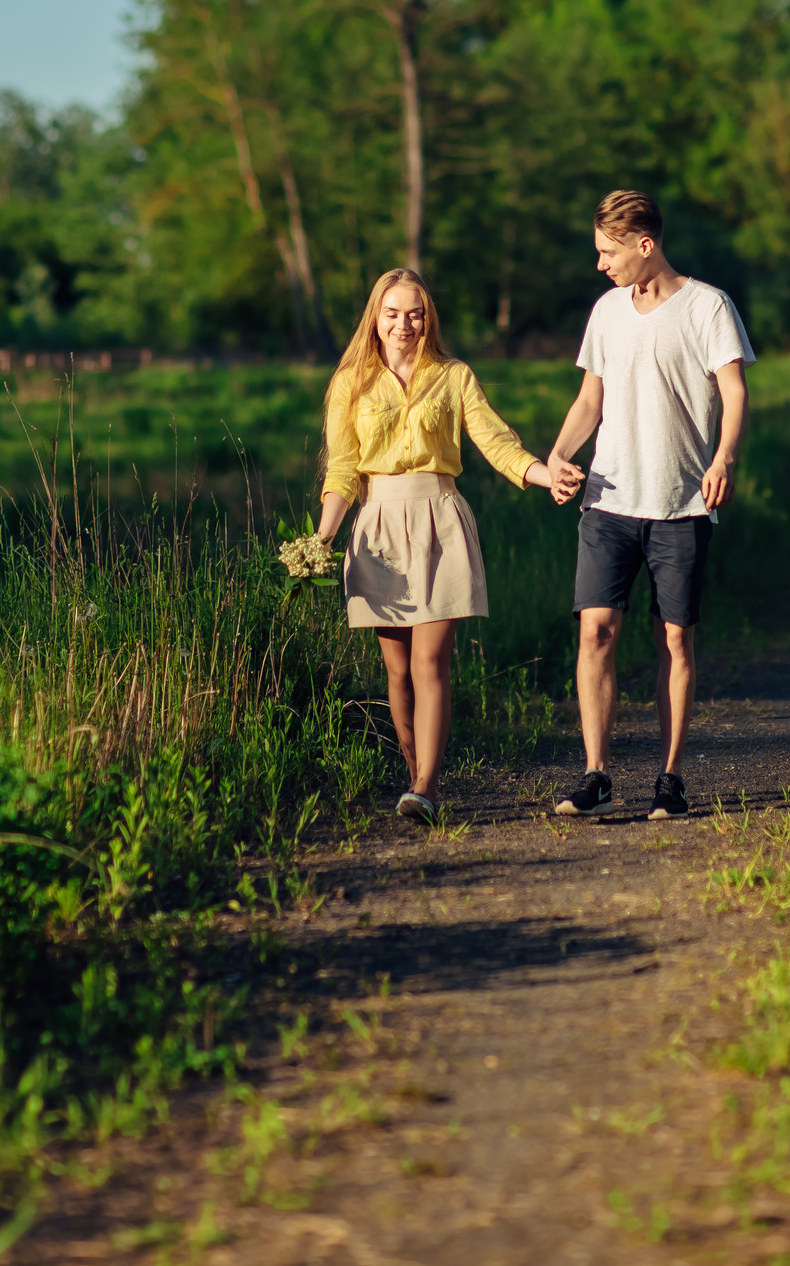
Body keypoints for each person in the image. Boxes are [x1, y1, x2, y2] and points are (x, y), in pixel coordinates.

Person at [317, 268, 558, 824]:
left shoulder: (453, 376)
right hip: (376, 528)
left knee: (431, 662)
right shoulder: (349, 382)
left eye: (415, 313)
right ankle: (415, 779)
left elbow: (495, 441)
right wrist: (321, 540)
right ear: (375, 318)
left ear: (429, 318)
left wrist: (543, 476)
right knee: (396, 671)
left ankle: (426, 785)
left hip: (439, 519)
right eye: (393, 313)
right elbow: (342, 470)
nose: (405, 324)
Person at [542, 190, 753, 821]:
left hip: (681, 502)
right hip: (608, 498)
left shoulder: (708, 305)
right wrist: (556, 456)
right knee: (595, 630)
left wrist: (724, 458)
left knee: (675, 639)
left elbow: (734, 390)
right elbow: (589, 400)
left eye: (608, 252)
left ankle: (670, 778)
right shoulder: (606, 312)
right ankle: (596, 773)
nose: (601, 265)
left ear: (645, 244)